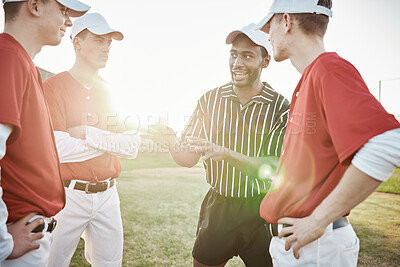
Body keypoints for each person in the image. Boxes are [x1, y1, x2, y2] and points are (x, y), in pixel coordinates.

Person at [254, 0, 400, 266]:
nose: (267, 34)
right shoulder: (312, 76)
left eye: (270, 23)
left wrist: (317, 221)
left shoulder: (328, 69)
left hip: (315, 248)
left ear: (286, 20)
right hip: (303, 247)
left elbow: (390, 142)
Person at [148, 23, 290, 267]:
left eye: (247, 56)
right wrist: (171, 140)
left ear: (265, 61)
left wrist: (225, 153)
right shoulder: (209, 100)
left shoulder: (280, 108)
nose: (237, 63)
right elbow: (188, 158)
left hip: (260, 209)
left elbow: (273, 167)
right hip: (219, 207)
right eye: (234, 54)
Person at [43, 12, 141, 267]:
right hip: (67, 195)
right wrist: (110, 143)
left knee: (110, 264)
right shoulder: (52, 87)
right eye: (99, 40)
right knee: (52, 263)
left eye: (108, 42)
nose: (107, 47)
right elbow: (58, 149)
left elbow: (131, 147)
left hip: (109, 195)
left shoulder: (110, 90)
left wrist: (88, 133)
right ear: (77, 43)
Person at [0, 0, 90, 266]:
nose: (69, 21)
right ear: (35, 6)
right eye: (63, 10)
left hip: (28, 230)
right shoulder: (9, 58)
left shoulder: (19, 61)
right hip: (18, 232)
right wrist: (2, 243)